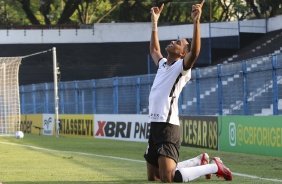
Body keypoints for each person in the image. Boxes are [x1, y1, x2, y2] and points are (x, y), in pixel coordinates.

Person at [144, 1, 233, 182]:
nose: (173, 42)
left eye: (178, 43)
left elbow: (196, 52)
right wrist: (154, 22)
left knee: (168, 178)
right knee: (153, 176)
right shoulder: (162, 64)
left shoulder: (181, 68)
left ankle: (215, 166)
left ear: (183, 53)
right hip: (155, 125)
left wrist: (196, 21)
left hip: (168, 127)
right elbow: (154, 50)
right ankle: (197, 161)